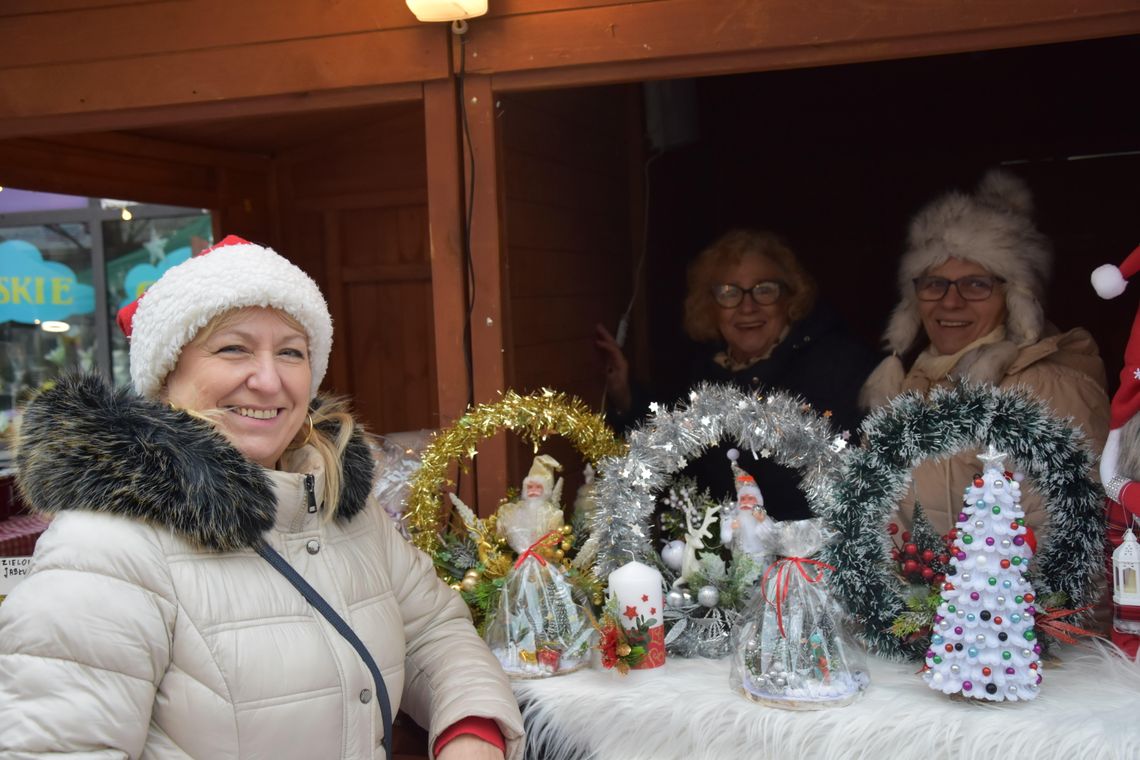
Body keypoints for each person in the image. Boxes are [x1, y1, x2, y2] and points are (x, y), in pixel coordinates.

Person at [0, 236, 524, 759]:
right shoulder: (104, 547)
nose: (269, 381)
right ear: (166, 373)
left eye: (291, 352)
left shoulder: (341, 505)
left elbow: (433, 631)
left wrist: (471, 730)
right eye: (234, 348)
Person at [859, 169, 1110, 538]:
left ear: (1015, 298)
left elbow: (1068, 540)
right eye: (935, 283)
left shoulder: (1046, 389)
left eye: (976, 284)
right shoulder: (915, 383)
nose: (951, 301)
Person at [596, 228, 877, 520]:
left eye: (764, 290)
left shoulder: (837, 364)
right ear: (711, 307)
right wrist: (625, 396)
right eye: (729, 292)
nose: (747, 307)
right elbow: (674, 456)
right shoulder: (705, 373)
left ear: (790, 299)